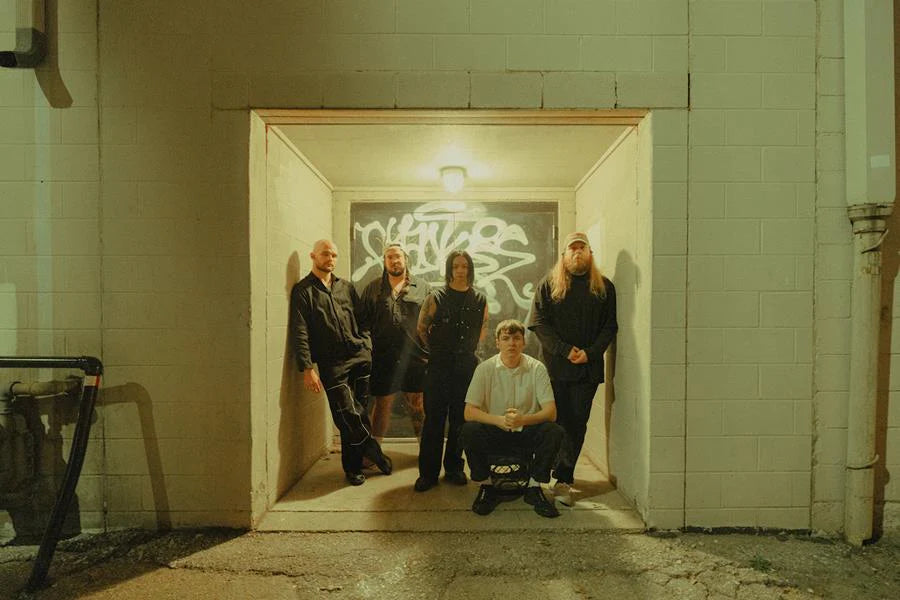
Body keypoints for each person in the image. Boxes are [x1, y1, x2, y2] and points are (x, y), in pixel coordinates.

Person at [289, 239, 392, 486]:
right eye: (325, 254)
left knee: (359, 412)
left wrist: (366, 345)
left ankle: (353, 468)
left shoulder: (346, 287)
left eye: (334, 255)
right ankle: (373, 450)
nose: (330, 259)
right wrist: (307, 368)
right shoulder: (303, 291)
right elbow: (300, 331)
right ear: (313, 256)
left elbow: (363, 319)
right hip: (332, 364)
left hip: (359, 358)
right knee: (348, 415)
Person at [527, 232, 617, 506]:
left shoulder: (604, 287)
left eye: (582, 248)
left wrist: (590, 353)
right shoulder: (549, 284)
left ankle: (563, 479)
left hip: (586, 371)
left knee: (576, 424)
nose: (577, 252)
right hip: (554, 369)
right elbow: (539, 323)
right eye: (572, 248)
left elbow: (610, 326)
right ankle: (540, 473)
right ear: (564, 254)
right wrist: (565, 350)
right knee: (552, 421)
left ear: (590, 253)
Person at [460, 319, 564, 518]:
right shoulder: (485, 369)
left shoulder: (537, 368)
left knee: (554, 431)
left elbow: (551, 412)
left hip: (525, 432)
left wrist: (523, 420)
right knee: (469, 430)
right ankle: (486, 486)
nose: (511, 343)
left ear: (524, 342)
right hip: (496, 432)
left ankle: (534, 487)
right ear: (497, 342)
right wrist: (499, 420)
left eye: (516, 338)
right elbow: (469, 412)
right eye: (506, 338)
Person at [414, 250, 489, 492]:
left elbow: (483, 330)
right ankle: (428, 474)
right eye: (455, 266)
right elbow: (421, 329)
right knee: (434, 420)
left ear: (470, 269)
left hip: (466, 367)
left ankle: (454, 468)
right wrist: (436, 351)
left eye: (464, 266)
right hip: (439, 366)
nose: (460, 270)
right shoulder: (436, 297)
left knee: (460, 419)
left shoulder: (480, 299)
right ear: (449, 269)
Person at [358, 242, 431, 443]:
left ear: (406, 259)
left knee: (418, 404)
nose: (394, 260)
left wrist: (429, 350)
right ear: (384, 261)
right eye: (389, 257)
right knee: (382, 404)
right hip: (383, 357)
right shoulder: (373, 288)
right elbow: (362, 323)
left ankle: (425, 450)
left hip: (415, 357)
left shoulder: (423, 288)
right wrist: (366, 349)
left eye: (398, 256)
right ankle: (374, 451)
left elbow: (433, 322)